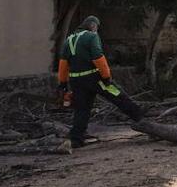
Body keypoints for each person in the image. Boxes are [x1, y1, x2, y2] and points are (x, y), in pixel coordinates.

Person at [57, 15, 144, 147]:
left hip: (76, 80)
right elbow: (98, 57)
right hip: (95, 78)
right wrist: (106, 77)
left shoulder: (69, 39)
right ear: (93, 25)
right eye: (97, 27)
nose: (97, 29)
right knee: (118, 95)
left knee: (82, 109)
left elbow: (63, 64)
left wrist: (62, 84)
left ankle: (76, 139)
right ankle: (141, 118)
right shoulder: (92, 36)